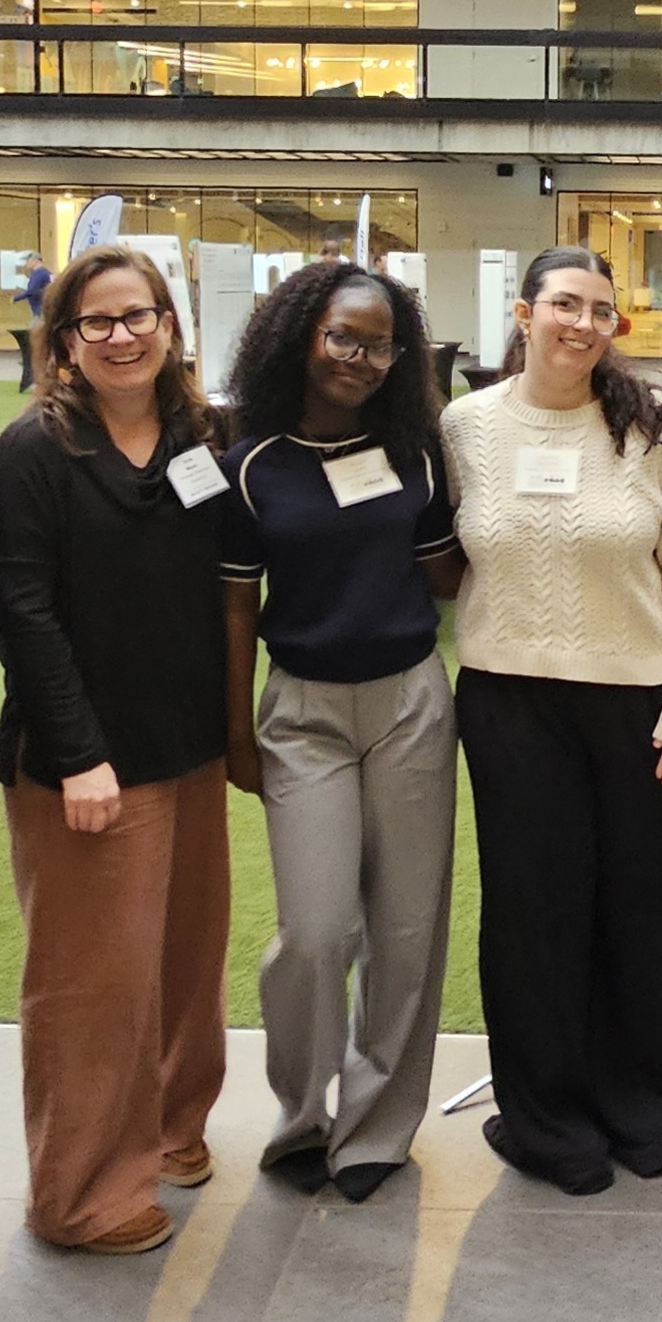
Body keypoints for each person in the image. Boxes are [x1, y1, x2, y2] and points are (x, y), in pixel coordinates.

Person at [440, 245, 662, 1195]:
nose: (581, 323)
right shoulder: (465, 426)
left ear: (615, 328)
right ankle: (546, 1122)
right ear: (524, 314)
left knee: (638, 909)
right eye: (564, 303)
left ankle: (642, 1109)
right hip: (508, 701)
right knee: (532, 918)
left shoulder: (654, 425)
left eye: (600, 310)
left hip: (639, 705)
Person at [0, 243, 232, 1255]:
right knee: (94, 982)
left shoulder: (204, 436)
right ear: (66, 343)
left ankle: (173, 1130)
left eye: (139, 315)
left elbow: (236, 573)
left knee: (183, 959)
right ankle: (78, 1192)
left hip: (189, 748)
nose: (122, 335)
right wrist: (79, 753)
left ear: (171, 325)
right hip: (82, 761)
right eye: (98, 321)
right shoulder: (36, 451)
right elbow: (25, 611)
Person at [221, 261, 461, 1205]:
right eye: (342, 338)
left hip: (408, 702)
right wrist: (237, 731)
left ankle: (375, 1128)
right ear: (300, 338)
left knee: (406, 931)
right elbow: (237, 611)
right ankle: (300, 1113)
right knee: (316, 932)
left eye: (379, 343)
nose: (360, 358)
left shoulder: (417, 453)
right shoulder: (251, 461)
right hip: (302, 715)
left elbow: (447, 578)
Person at [16, 252, 51, 392]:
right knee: (35, 342)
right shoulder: (41, 273)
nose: (26, 264)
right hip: (39, 312)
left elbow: (32, 290)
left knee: (36, 343)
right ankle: (30, 365)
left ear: (34, 260)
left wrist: (17, 297)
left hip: (41, 313)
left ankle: (31, 366)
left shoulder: (40, 273)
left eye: (28, 260)